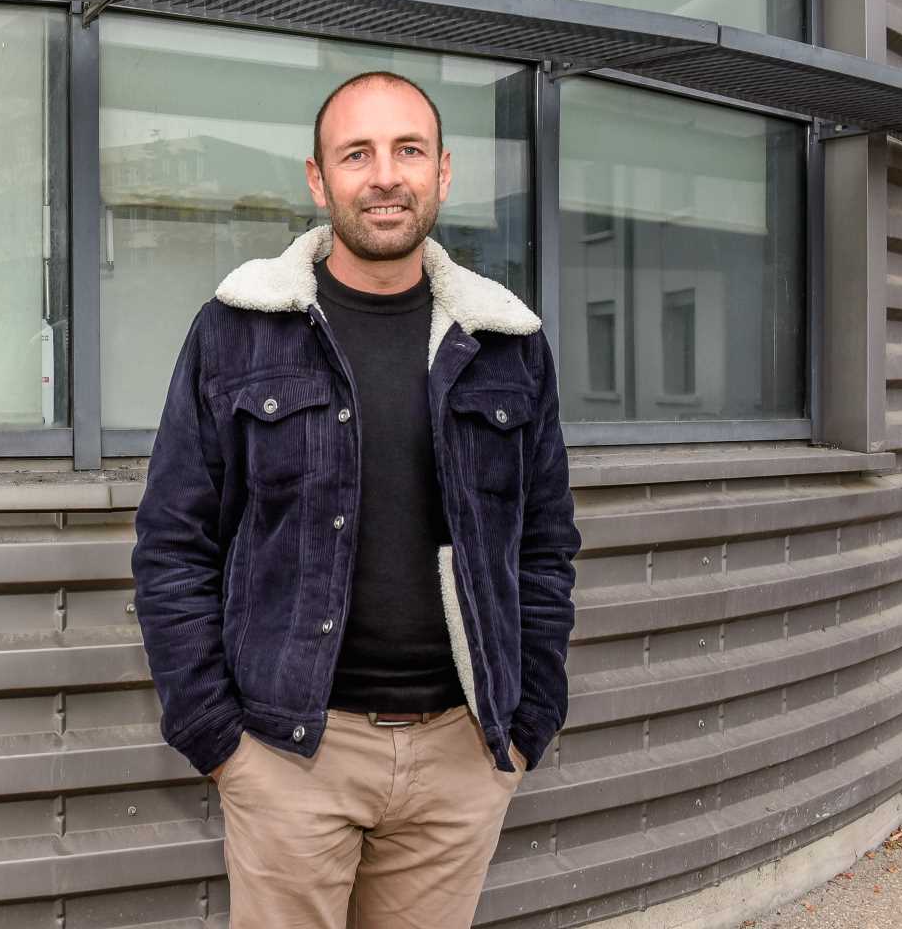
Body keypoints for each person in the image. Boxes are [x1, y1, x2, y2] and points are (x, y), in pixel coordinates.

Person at [130, 71, 582, 928]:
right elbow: (172, 545)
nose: (385, 175)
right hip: (289, 754)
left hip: (461, 754)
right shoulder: (240, 328)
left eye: (408, 150)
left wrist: (527, 724)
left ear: (442, 173)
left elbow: (545, 547)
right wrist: (219, 740)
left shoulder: (507, 345)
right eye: (358, 154)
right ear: (318, 178)